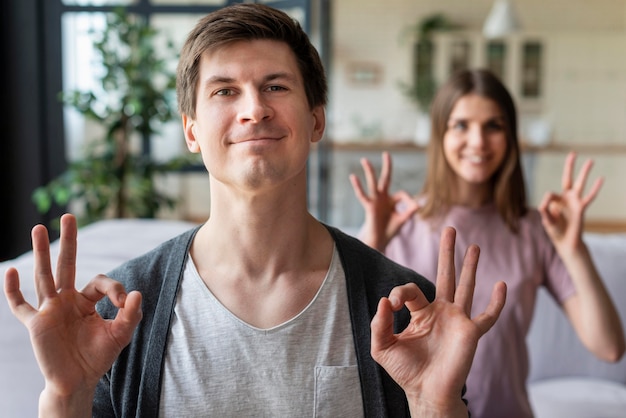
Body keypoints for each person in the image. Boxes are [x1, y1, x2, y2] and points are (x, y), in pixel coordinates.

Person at [3, 5, 507, 417]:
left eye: (276, 86)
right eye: (225, 91)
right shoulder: (121, 315)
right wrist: (65, 397)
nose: (254, 109)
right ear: (192, 131)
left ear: (315, 120)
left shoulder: (402, 308)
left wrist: (434, 405)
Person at [350, 68, 625, 418]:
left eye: (493, 126)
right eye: (461, 125)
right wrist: (373, 238)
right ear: (440, 135)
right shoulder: (399, 224)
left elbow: (609, 347)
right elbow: (348, 341)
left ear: (510, 136)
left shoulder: (533, 230)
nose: (478, 141)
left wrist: (574, 249)